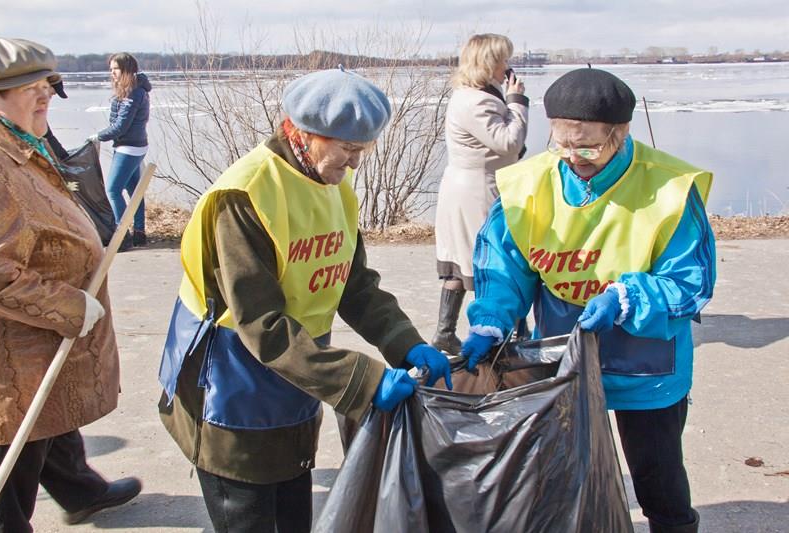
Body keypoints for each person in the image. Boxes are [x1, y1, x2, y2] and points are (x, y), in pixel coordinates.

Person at [157, 67, 452, 533]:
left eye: (363, 150)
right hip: (234, 383)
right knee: (249, 513)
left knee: (293, 510)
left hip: (299, 376)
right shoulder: (246, 195)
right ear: (304, 133)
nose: (355, 163)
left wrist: (406, 343)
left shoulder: (333, 185)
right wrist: (363, 380)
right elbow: (261, 324)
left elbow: (354, 284)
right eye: (348, 149)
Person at [461, 68, 714, 533]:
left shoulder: (669, 188)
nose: (575, 158)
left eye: (589, 147)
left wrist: (626, 297)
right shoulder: (528, 185)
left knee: (658, 479)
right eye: (563, 145)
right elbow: (506, 267)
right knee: (564, 476)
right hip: (564, 358)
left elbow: (689, 283)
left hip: (647, 362)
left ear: (621, 133)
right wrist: (491, 319)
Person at [0, 37, 141, 532]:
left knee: (50, 413)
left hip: (39, 339)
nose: (44, 95)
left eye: (47, 84)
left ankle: (80, 491)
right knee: (12, 448)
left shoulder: (20, 145)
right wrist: (69, 305)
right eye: (27, 88)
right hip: (10, 347)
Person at [432, 33, 529, 355]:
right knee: (493, 261)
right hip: (476, 189)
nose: (508, 66)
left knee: (464, 259)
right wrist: (517, 103)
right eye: (503, 60)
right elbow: (508, 143)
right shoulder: (477, 101)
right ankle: (507, 334)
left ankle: (446, 332)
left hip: (466, 185)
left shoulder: (473, 95)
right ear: (489, 63)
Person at [89, 52, 151, 248]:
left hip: (129, 147)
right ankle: (139, 233)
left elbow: (121, 126)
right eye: (111, 69)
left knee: (113, 190)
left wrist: (98, 136)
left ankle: (122, 236)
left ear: (126, 69)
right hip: (133, 145)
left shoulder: (134, 92)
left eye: (115, 68)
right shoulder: (131, 89)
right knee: (134, 191)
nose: (112, 73)